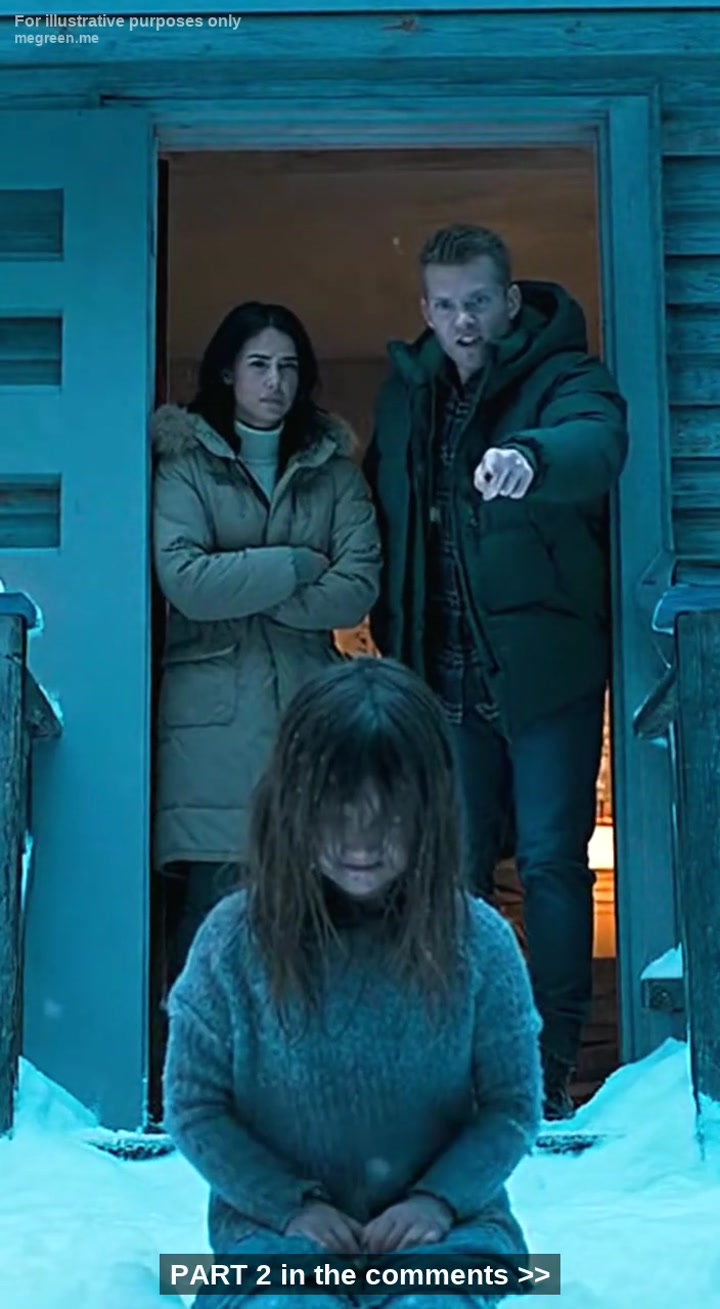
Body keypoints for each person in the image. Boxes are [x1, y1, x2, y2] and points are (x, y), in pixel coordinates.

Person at [162, 657, 542, 1309]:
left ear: (429, 813)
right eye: (337, 812)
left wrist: (437, 1200)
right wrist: (289, 1206)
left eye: (387, 815)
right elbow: (195, 1106)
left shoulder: (479, 941)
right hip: (274, 1243)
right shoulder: (232, 940)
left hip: (451, 1241)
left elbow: (510, 1106)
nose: (360, 842)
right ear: (292, 807)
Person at [365, 224, 629, 1120]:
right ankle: (462, 1065)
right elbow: (379, 508)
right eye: (444, 305)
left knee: (553, 864)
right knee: (451, 874)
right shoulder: (408, 396)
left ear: (511, 301)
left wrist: (531, 458)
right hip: (439, 677)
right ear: (425, 308)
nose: (462, 321)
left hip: (547, 671)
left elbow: (597, 440)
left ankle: (552, 1072)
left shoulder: (564, 376)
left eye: (477, 301)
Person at [151, 301, 381, 981]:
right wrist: (296, 563)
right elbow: (187, 582)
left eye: (288, 366)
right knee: (213, 926)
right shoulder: (185, 464)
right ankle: (197, 1050)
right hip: (209, 729)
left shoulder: (333, 469)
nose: (275, 381)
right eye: (259, 365)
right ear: (228, 372)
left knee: (311, 923)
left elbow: (357, 587)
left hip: (307, 711)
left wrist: (243, 581)